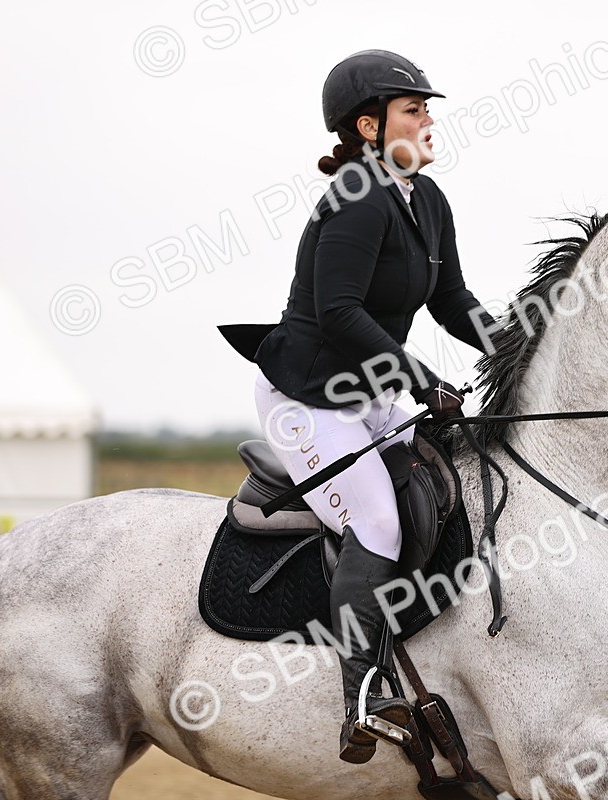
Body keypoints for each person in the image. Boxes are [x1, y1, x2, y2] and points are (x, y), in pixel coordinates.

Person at [219, 50, 496, 764]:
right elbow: (339, 311)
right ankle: (361, 696)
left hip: (368, 394)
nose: (429, 119)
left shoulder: (426, 200)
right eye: (414, 109)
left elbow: (452, 300)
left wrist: (510, 344)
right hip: (305, 398)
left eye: (427, 109)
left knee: (434, 495)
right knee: (375, 518)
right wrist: (418, 375)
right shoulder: (354, 198)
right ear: (369, 127)